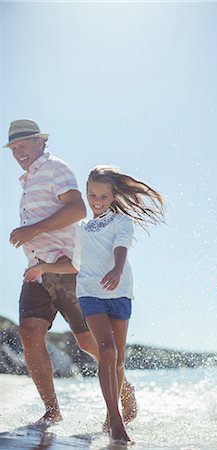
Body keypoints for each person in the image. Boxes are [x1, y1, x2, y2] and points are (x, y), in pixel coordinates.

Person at [4, 119, 137, 427]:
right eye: (14, 148)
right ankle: (52, 410)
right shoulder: (27, 180)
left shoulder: (55, 169)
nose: (18, 152)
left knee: (89, 344)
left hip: (68, 270)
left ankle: (123, 386)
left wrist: (32, 229)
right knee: (29, 332)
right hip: (37, 271)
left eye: (23, 145)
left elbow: (78, 210)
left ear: (40, 142)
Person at [24, 165, 166, 444]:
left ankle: (110, 414)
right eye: (91, 195)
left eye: (102, 195)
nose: (96, 201)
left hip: (120, 293)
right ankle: (116, 422)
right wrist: (44, 268)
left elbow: (121, 248)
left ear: (113, 196)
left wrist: (116, 269)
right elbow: (75, 265)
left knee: (118, 359)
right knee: (107, 350)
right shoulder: (82, 229)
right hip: (90, 294)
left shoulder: (121, 222)